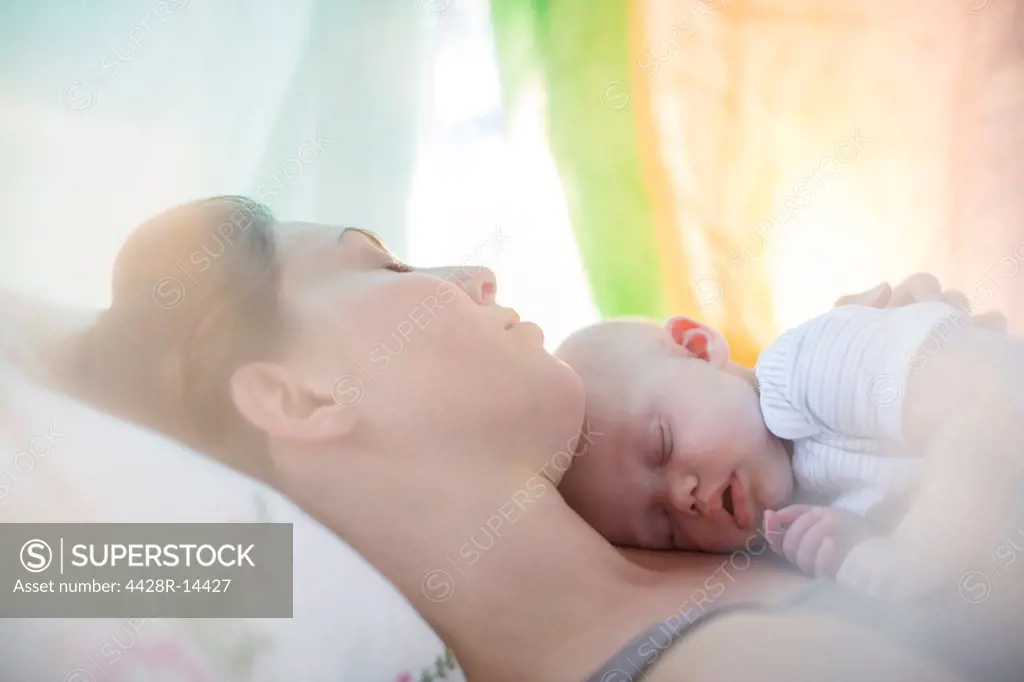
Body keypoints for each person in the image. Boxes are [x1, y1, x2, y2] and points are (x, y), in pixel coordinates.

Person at [60, 196, 1022, 681]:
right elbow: (52, 569)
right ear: (304, 398)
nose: (475, 271)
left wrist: (930, 399)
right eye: (381, 262)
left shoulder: (727, 517)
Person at [554, 284, 1023, 597]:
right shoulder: (791, 530)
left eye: (661, 446)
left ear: (697, 348)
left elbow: (994, 390)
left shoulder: (805, 368)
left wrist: (919, 551)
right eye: (664, 528)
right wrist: (865, 540)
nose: (683, 499)